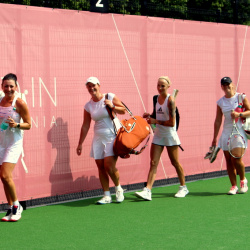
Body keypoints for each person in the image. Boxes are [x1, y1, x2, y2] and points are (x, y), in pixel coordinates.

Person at [135, 76, 189, 201]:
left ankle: (183, 187)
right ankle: (148, 190)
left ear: (168, 86)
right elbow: (157, 113)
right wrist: (150, 115)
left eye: (162, 86)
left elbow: (171, 122)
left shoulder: (171, 101)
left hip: (170, 134)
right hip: (159, 134)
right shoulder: (155, 98)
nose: (159, 88)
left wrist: (155, 120)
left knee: (175, 163)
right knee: (153, 162)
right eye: (158, 85)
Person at [76, 77, 126, 204]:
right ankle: (107, 195)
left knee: (109, 166)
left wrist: (113, 106)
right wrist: (80, 143)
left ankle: (118, 189)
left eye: (93, 85)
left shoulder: (109, 96)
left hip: (112, 136)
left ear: (99, 85)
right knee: (100, 167)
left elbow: (123, 110)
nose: (91, 88)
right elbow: (85, 125)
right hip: (98, 138)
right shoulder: (88, 105)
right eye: (89, 86)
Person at [0, 73, 31, 222]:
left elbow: (29, 124)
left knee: (6, 175)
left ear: (16, 87)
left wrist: (16, 124)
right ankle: (10, 207)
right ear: (2, 87)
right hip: (1, 143)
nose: (9, 89)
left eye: (11, 86)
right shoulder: (0, 101)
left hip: (14, 143)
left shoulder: (20, 103)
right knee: (3, 177)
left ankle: (17, 207)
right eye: (6, 86)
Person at [212, 76, 250, 195]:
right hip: (226, 132)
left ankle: (243, 180)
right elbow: (218, 121)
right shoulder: (220, 102)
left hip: (239, 131)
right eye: (224, 85)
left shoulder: (241, 97)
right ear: (222, 87)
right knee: (228, 160)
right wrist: (214, 138)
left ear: (232, 85)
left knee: (236, 158)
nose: (226, 86)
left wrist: (240, 114)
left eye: (228, 84)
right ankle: (234, 186)